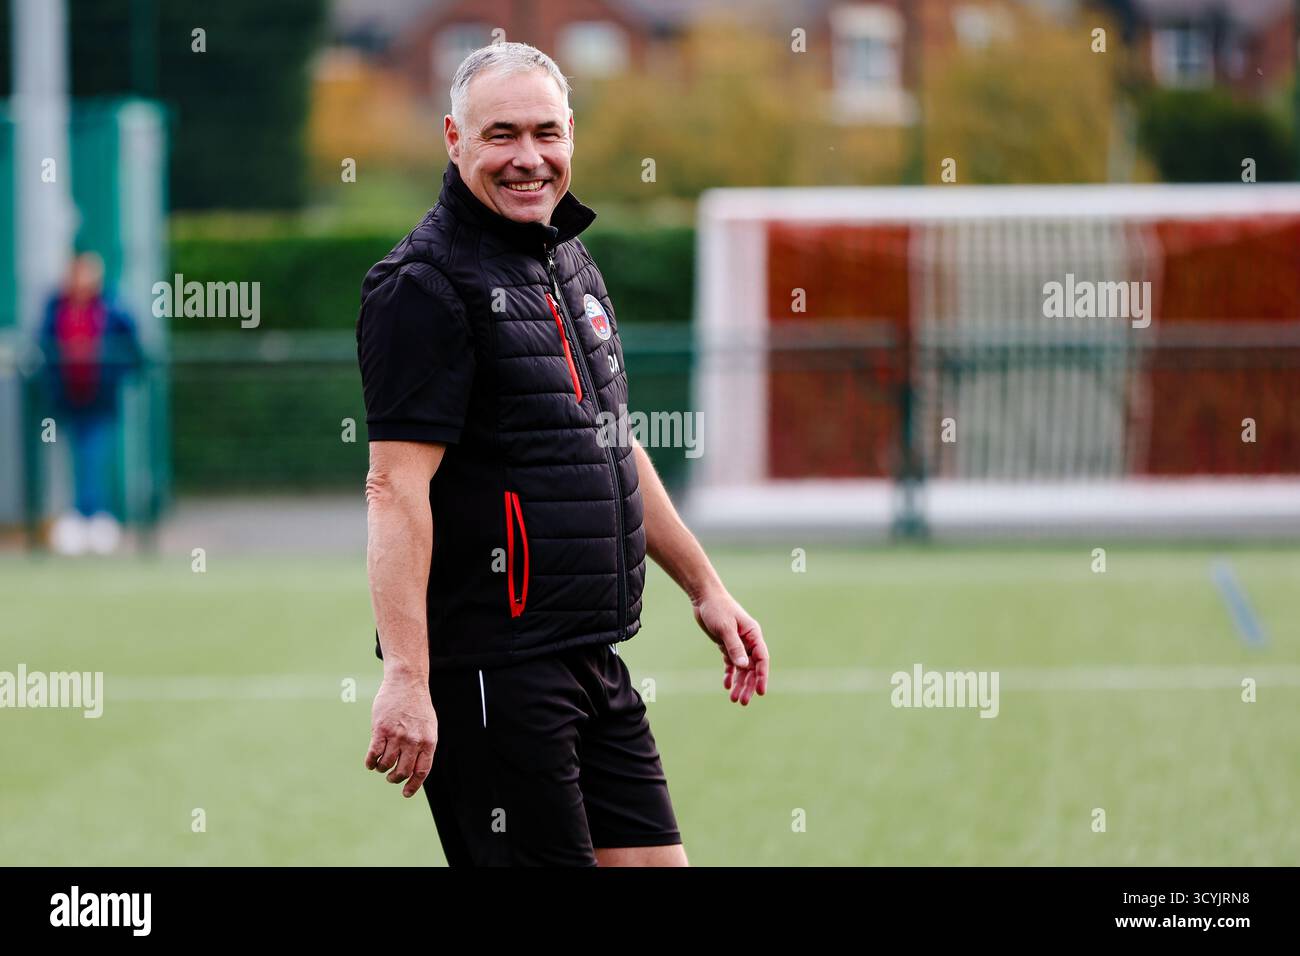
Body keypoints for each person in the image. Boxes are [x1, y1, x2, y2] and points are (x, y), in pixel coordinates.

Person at [356, 42, 770, 867]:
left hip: (591, 652)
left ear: (570, 135)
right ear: (453, 138)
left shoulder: (568, 259)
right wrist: (407, 672)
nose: (528, 158)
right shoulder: (423, 284)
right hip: (493, 673)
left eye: (546, 133)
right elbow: (394, 487)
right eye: (501, 134)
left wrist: (706, 586)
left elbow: (610, 445)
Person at [38, 251, 143, 556]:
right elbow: (44, 347)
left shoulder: (112, 308)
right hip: (68, 401)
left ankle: (95, 518)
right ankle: (82, 519)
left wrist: (116, 371)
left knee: (93, 457)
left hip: (100, 400)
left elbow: (133, 348)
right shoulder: (56, 308)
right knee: (76, 459)